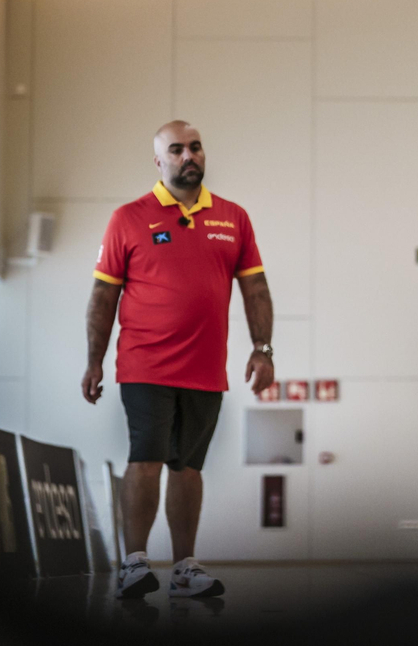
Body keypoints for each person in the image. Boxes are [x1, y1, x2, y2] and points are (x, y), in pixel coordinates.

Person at [82, 121, 277, 599]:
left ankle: (185, 568)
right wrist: (94, 361)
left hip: (206, 369)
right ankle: (134, 563)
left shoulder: (233, 218)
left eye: (195, 147)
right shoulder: (128, 218)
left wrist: (262, 348)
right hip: (144, 364)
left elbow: (255, 288)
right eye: (176, 149)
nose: (188, 155)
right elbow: (102, 297)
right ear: (159, 161)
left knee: (188, 466)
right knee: (146, 457)